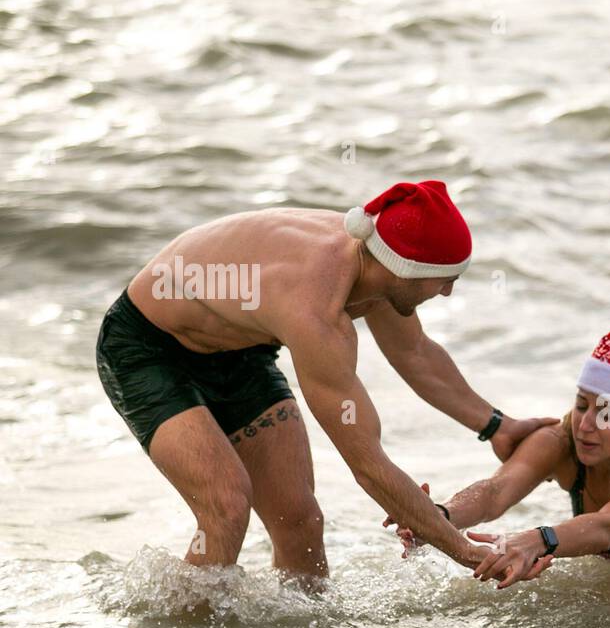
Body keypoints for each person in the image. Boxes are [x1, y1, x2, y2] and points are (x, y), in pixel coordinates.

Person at [95, 180, 557, 581]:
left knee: (300, 520)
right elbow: (367, 464)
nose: (448, 290)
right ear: (405, 271)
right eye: (442, 279)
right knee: (226, 506)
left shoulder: (376, 263)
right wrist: (468, 551)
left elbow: (415, 353)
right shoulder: (316, 309)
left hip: (239, 351)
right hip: (149, 348)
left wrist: (498, 426)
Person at [385, 332, 610, 590]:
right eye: (582, 405)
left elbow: (607, 528)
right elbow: (494, 492)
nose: (585, 426)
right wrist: (437, 517)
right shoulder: (559, 441)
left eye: (607, 414)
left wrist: (540, 540)